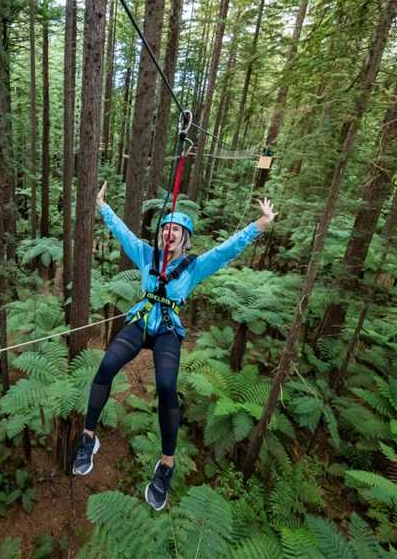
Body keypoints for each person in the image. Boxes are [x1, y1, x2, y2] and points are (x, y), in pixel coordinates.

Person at [72, 181, 277, 510]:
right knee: (108, 364)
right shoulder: (145, 254)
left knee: (167, 386)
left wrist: (259, 225)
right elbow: (123, 233)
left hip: (167, 329)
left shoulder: (194, 266)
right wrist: (102, 207)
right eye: (165, 228)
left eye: (175, 230)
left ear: (185, 238)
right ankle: (88, 437)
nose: (168, 233)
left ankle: (166, 463)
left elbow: (227, 249)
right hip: (141, 322)